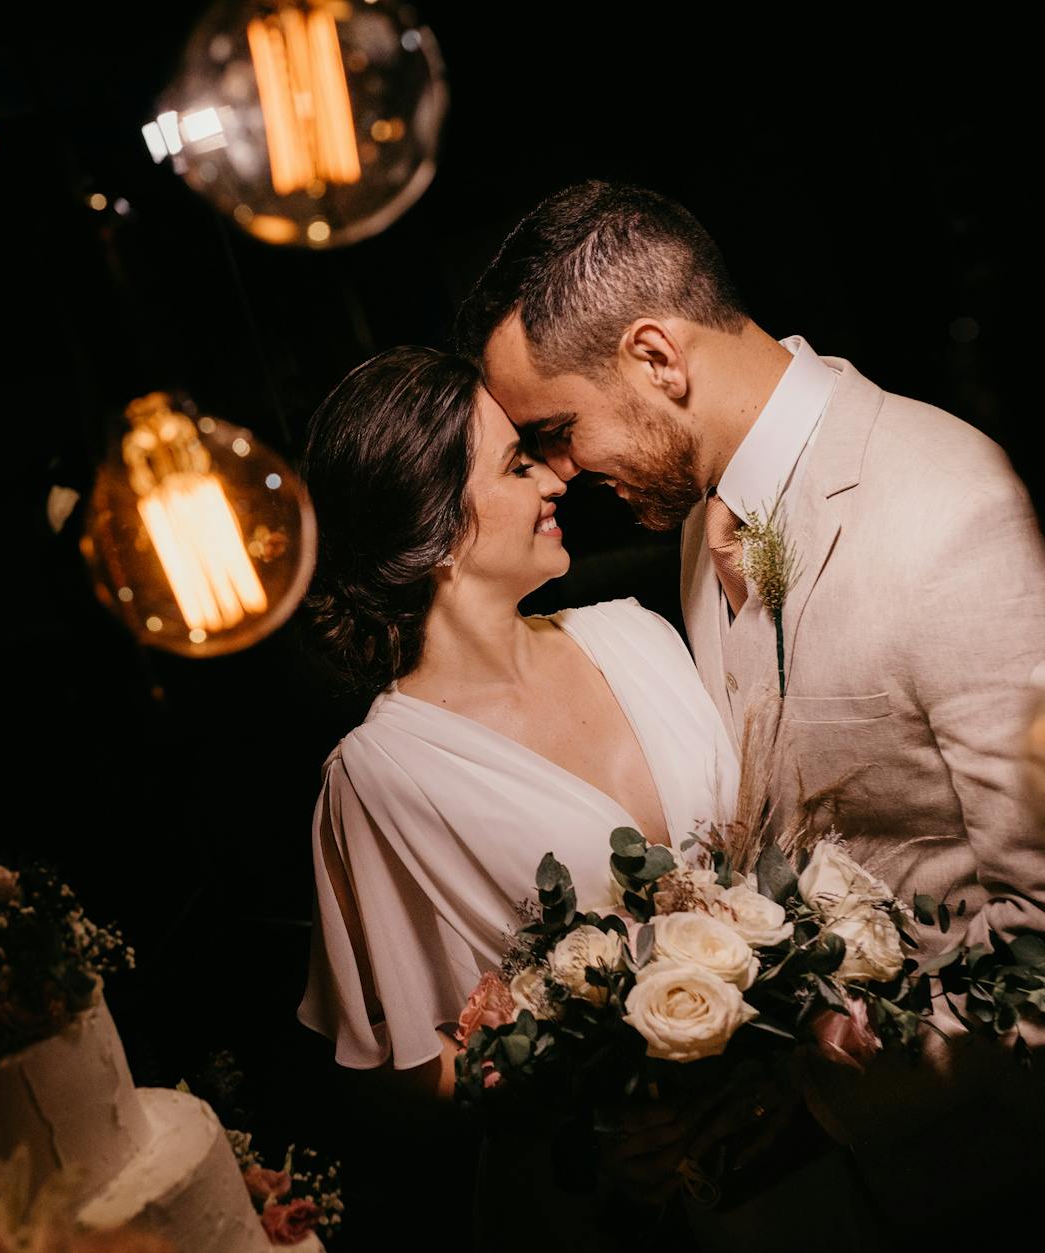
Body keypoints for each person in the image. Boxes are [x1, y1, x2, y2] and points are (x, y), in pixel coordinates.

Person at [456, 179, 1045, 1240]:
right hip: (894, 1192)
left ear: (656, 357)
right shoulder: (708, 524)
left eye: (557, 429)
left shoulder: (950, 514)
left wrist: (806, 1100)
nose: (560, 471)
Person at [293, 344, 738, 1245]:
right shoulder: (380, 775)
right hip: (617, 1210)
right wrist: (585, 1107)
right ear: (439, 527)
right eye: (516, 463)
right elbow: (396, 1067)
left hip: (797, 1122)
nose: (555, 481)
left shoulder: (637, 636)